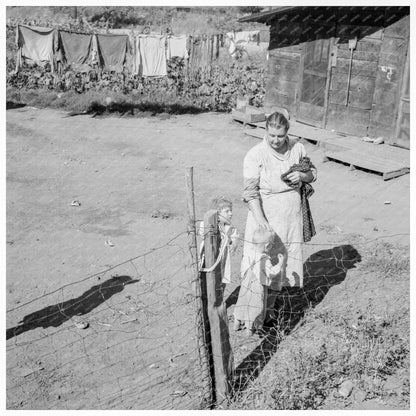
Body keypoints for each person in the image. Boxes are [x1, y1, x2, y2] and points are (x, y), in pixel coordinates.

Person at [238, 111, 317, 323]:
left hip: (290, 219)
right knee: (259, 267)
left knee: (280, 267)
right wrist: (261, 220)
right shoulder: (256, 154)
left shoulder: (298, 149)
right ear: (265, 131)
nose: (275, 140)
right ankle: (250, 314)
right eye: (271, 135)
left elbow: (312, 174)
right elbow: (250, 192)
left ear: (287, 133)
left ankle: (270, 311)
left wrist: (302, 176)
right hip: (265, 219)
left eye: (280, 136)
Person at [233, 228, 284, 336]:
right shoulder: (264, 259)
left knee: (243, 301)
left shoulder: (248, 253)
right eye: (271, 245)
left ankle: (236, 323)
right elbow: (271, 273)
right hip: (257, 285)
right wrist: (280, 264)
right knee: (256, 306)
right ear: (266, 246)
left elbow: (243, 267)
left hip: (246, 283)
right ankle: (250, 329)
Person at [198, 196, 240, 286]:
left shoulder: (230, 228)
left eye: (231, 210)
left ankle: (219, 298)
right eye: (227, 211)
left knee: (220, 282)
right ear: (217, 213)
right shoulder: (207, 225)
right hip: (208, 259)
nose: (231, 213)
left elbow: (235, 238)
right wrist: (212, 225)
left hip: (222, 260)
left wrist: (234, 244)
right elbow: (202, 232)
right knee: (205, 282)